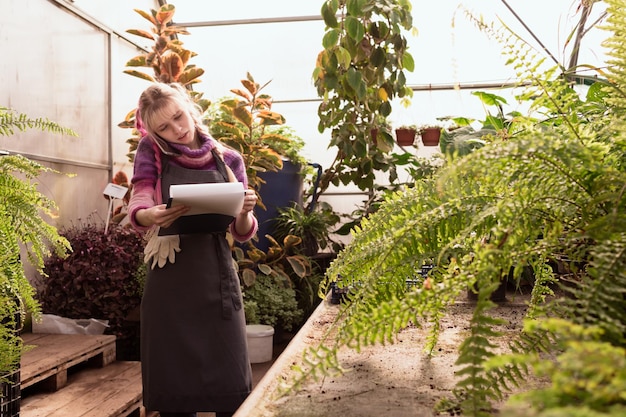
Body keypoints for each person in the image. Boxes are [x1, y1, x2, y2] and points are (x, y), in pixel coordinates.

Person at [127, 82, 258, 417]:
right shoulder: (152, 150)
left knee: (229, 381)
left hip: (215, 274)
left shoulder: (228, 159)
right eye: (164, 128)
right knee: (174, 385)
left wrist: (245, 211)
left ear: (188, 106)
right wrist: (148, 214)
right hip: (170, 275)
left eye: (178, 117)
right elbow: (141, 193)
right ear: (152, 131)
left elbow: (241, 232)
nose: (177, 130)